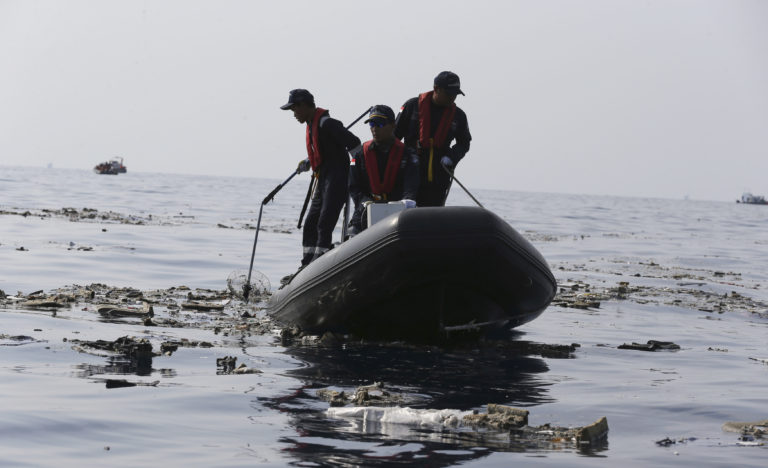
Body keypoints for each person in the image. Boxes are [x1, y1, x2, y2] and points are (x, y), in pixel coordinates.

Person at [280, 89, 361, 265]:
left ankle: (320, 263)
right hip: (322, 179)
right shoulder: (311, 125)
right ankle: (307, 263)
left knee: (324, 224)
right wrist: (309, 161)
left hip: (337, 179)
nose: (294, 114)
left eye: (295, 109)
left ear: (304, 105)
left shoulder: (327, 123)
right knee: (310, 224)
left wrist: (358, 174)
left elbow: (354, 144)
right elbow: (323, 150)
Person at [394, 71, 472, 207]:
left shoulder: (459, 116)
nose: (452, 98)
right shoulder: (412, 106)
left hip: (439, 174)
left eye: (455, 95)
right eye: (449, 94)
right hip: (410, 172)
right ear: (436, 89)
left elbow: (464, 143)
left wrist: (452, 157)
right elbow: (393, 137)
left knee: (433, 213)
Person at [348, 105, 419, 236]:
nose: (374, 128)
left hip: (397, 214)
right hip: (365, 212)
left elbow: (411, 184)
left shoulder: (408, 155)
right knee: (355, 231)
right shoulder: (360, 155)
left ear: (392, 125)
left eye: (380, 123)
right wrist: (364, 201)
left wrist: (407, 200)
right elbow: (354, 186)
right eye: (372, 124)